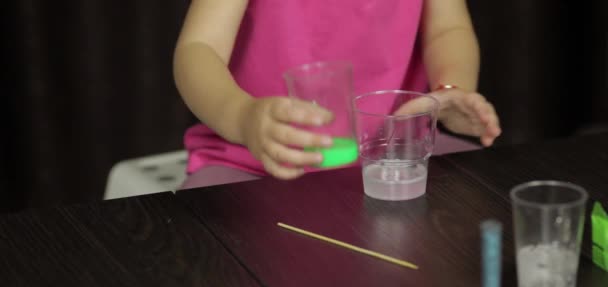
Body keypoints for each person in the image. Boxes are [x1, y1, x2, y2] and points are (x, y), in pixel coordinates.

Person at [174, 0, 501, 188]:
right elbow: (200, 48)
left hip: (395, 151)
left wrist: (450, 89)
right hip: (250, 163)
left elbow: (447, 29)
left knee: (479, 201)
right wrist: (242, 117)